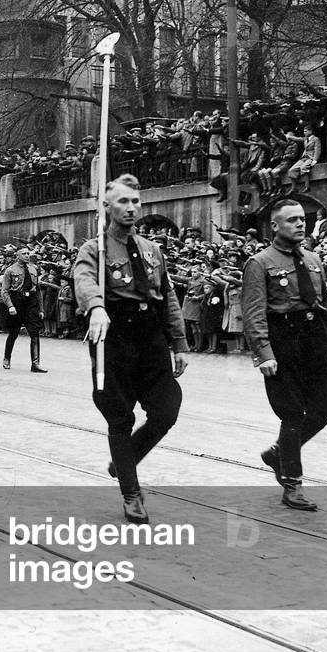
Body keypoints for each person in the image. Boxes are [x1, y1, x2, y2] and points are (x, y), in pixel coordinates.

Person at [74, 174, 189, 524]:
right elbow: (84, 279)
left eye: (136, 202)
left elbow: (167, 296)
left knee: (167, 410)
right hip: (114, 336)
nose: (131, 208)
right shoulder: (94, 248)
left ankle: (125, 458)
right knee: (120, 416)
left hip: (150, 336)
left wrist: (179, 343)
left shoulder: (152, 250)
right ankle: (131, 491)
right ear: (106, 207)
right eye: (123, 202)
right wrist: (95, 306)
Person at [241, 198, 327, 511]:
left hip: (313, 341)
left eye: (302, 219)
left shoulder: (314, 260)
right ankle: (292, 484)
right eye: (292, 220)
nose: (300, 224)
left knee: (326, 405)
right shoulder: (259, 263)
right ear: (275, 226)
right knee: (291, 413)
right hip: (282, 341)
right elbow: (254, 313)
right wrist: (264, 353)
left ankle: (278, 454)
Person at [1, 247, 48, 372]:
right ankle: (7, 358)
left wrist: (41, 309)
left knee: (35, 332)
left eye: (28, 253)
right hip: (17, 301)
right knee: (14, 333)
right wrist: (10, 306)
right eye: (24, 253)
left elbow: (37, 290)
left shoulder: (33, 269)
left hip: (31, 302)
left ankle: (35, 363)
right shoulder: (10, 270)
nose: (27, 255)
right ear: (18, 255)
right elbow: (5, 291)